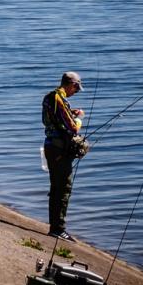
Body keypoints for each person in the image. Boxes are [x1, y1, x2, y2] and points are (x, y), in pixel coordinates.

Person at [42, 71, 87, 240]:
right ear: (71, 85)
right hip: (58, 150)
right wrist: (79, 119)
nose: (75, 92)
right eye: (76, 88)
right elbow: (73, 128)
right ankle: (58, 229)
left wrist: (70, 112)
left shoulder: (50, 97)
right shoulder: (59, 99)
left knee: (56, 188)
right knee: (63, 189)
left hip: (51, 147)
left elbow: (56, 118)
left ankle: (55, 226)